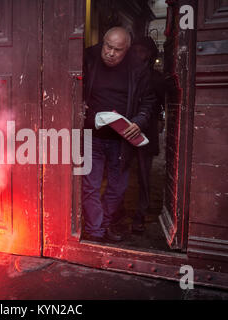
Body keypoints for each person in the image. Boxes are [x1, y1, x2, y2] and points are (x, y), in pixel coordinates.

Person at [82, 27, 155, 243]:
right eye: (108, 46)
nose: (111, 53)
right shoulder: (88, 58)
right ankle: (95, 231)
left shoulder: (137, 68)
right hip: (91, 135)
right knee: (90, 186)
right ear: (102, 42)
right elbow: (71, 82)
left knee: (118, 187)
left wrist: (139, 121)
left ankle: (104, 224)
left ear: (127, 50)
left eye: (117, 50)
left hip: (121, 140)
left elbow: (149, 101)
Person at [131, 37, 166, 233]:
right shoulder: (125, 73)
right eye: (135, 50)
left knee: (144, 175)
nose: (138, 54)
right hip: (124, 130)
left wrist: (159, 118)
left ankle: (140, 215)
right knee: (121, 173)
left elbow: (161, 102)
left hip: (147, 129)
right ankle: (117, 210)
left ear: (150, 54)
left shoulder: (155, 78)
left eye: (142, 51)